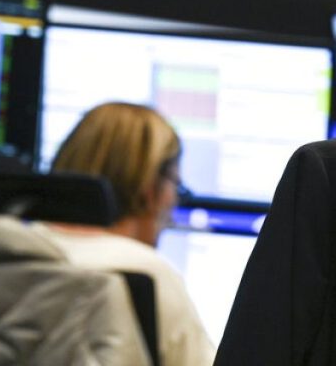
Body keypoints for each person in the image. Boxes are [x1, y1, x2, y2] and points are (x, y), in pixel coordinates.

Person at [33, 102, 215, 366]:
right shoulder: (144, 273)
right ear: (149, 188)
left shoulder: (10, 248)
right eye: (176, 185)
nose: (174, 204)